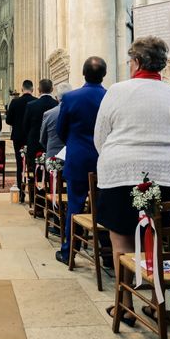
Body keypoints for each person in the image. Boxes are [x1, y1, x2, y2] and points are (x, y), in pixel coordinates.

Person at [94, 37, 170, 325]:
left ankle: (125, 303)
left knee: (121, 240)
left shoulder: (118, 91)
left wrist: (119, 154)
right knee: (153, 238)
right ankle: (154, 302)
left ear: (135, 62)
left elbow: (100, 136)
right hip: (164, 175)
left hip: (121, 173)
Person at [54, 58, 108, 264]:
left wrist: (74, 142)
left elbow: (61, 130)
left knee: (75, 205)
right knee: (104, 205)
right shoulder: (110, 96)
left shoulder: (71, 98)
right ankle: (108, 254)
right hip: (104, 159)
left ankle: (69, 253)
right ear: (103, 75)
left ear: (83, 74)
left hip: (77, 158)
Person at [23, 79, 58, 216]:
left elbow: (25, 126)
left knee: (35, 175)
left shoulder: (32, 105)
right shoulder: (57, 104)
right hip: (53, 146)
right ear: (52, 89)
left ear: (38, 89)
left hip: (35, 145)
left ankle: (38, 207)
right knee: (52, 176)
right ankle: (52, 207)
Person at [5, 80, 37, 201]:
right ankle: (34, 194)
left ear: (22, 89)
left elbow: (8, 120)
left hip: (18, 137)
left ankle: (21, 193)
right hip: (32, 137)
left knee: (20, 164)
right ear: (32, 89)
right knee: (33, 164)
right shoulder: (36, 101)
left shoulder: (15, 102)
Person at [40, 82, 73, 158]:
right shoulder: (77, 113)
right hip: (71, 154)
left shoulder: (48, 114)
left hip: (53, 155)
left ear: (57, 97)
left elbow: (42, 139)